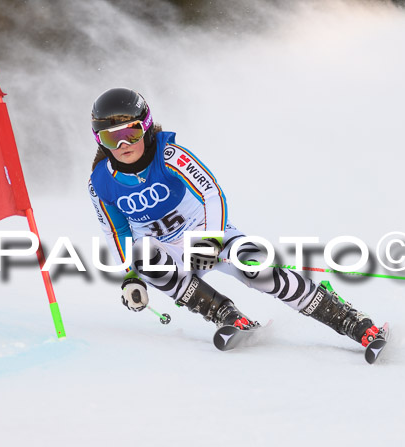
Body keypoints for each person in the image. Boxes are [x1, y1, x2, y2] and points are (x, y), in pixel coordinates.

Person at [88, 87, 384, 347]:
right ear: (99, 141)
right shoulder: (99, 183)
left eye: (131, 132)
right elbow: (116, 232)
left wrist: (210, 240)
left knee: (257, 269)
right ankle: (225, 315)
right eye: (112, 138)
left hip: (205, 231)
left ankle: (349, 320)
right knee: (144, 257)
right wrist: (129, 278)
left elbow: (211, 193)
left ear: (147, 127)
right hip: (163, 251)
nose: (124, 145)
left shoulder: (170, 156)